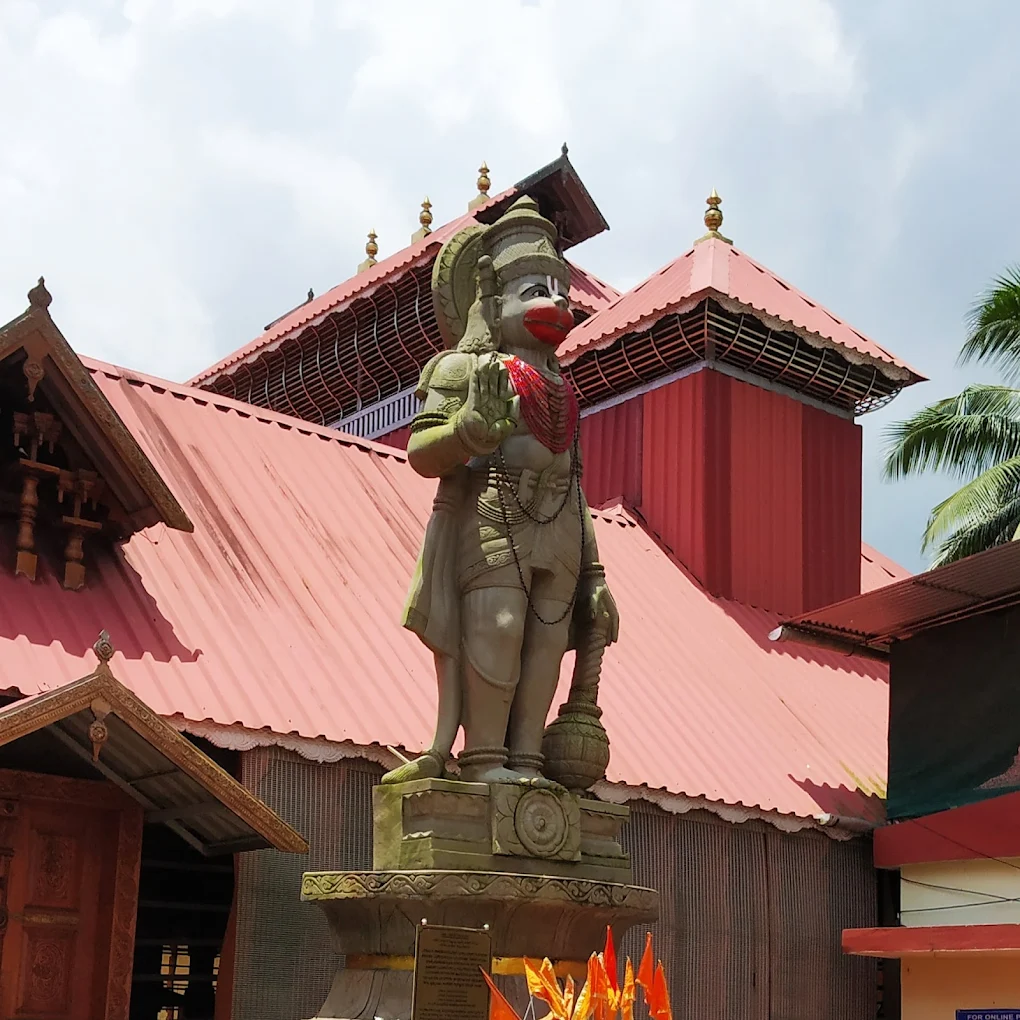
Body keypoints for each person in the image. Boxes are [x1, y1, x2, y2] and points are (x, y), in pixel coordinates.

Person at [385, 196, 619, 787]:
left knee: (548, 642)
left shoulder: (562, 390)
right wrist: (468, 431)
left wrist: (595, 574)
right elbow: (421, 451)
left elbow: (577, 482)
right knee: (501, 625)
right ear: (490, 303)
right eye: (535, 291)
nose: (557, 305)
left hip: (560, 524)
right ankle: (485, 758)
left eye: (561, 293)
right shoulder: (461, 369)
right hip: (494, 511)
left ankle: (527, 764)